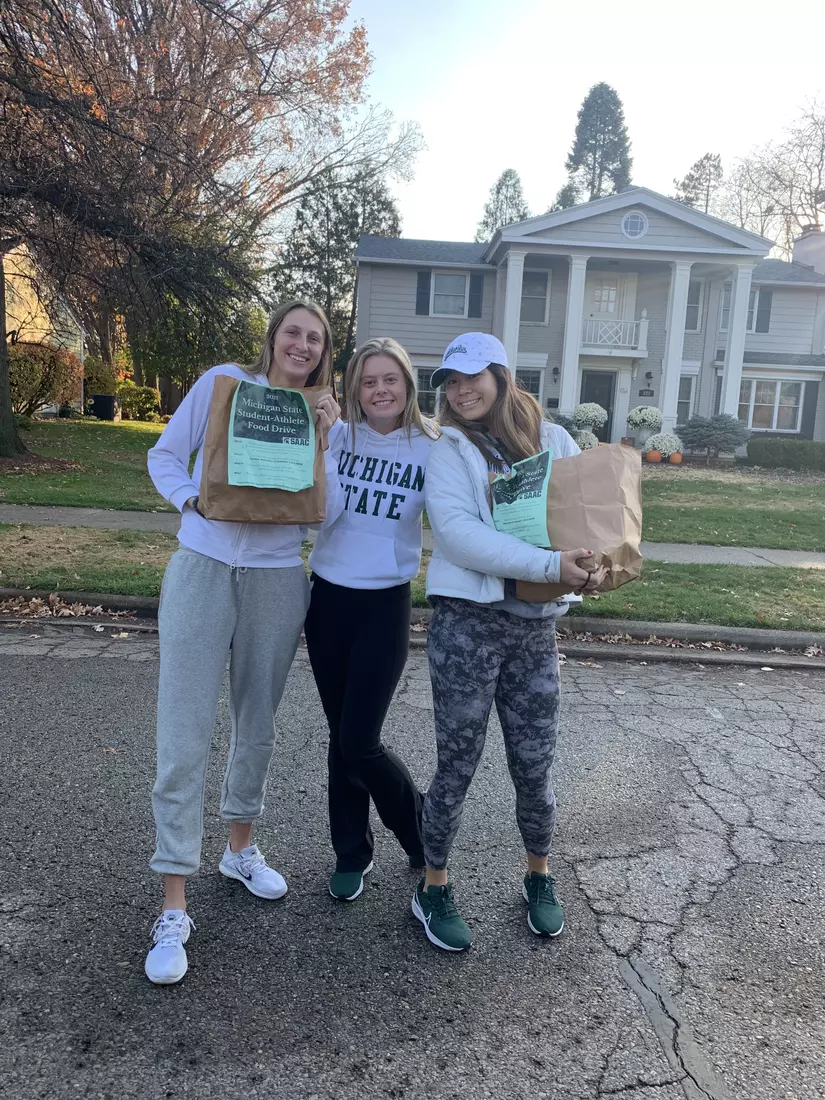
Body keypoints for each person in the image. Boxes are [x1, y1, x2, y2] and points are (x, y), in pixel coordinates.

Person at [143, 299, 343, 985]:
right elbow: (164, 454)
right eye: (293, 332)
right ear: (273, 337)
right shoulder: (223, 382)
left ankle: (239, 847)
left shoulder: (322, 411)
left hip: (279, 576)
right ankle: (173, 899)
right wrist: (189, 500)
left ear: (323, 352)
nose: (302, 344)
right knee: (184, 729)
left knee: (257, 722)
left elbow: (329, 510)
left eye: (314, 338)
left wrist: (324, 441)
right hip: (202, 567)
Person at [412, 333, 603, 952]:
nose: (461, 391)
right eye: (450, 381)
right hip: (467, 626)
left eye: (473, 377)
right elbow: (461, 537)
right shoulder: (447, 450)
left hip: (534, 630)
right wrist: (550, 568)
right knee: (457, 763)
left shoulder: (554, 442)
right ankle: (433, 885)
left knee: (535, 762)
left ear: (500, 375)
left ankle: (538, 876)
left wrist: (590, 568)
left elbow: (582, 520)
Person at [305, 338, 438, 902]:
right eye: (368, 381)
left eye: (391, 379)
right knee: (342, 737)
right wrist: (329, 445)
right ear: (354, 388)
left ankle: (418, 829)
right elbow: (323, 514)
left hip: (386, 603)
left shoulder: (434, 445)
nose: (380, 390)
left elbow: (458, 516)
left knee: (360, 739)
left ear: (407, 384)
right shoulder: (340, 435)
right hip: (329, 598)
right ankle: (350, 852)